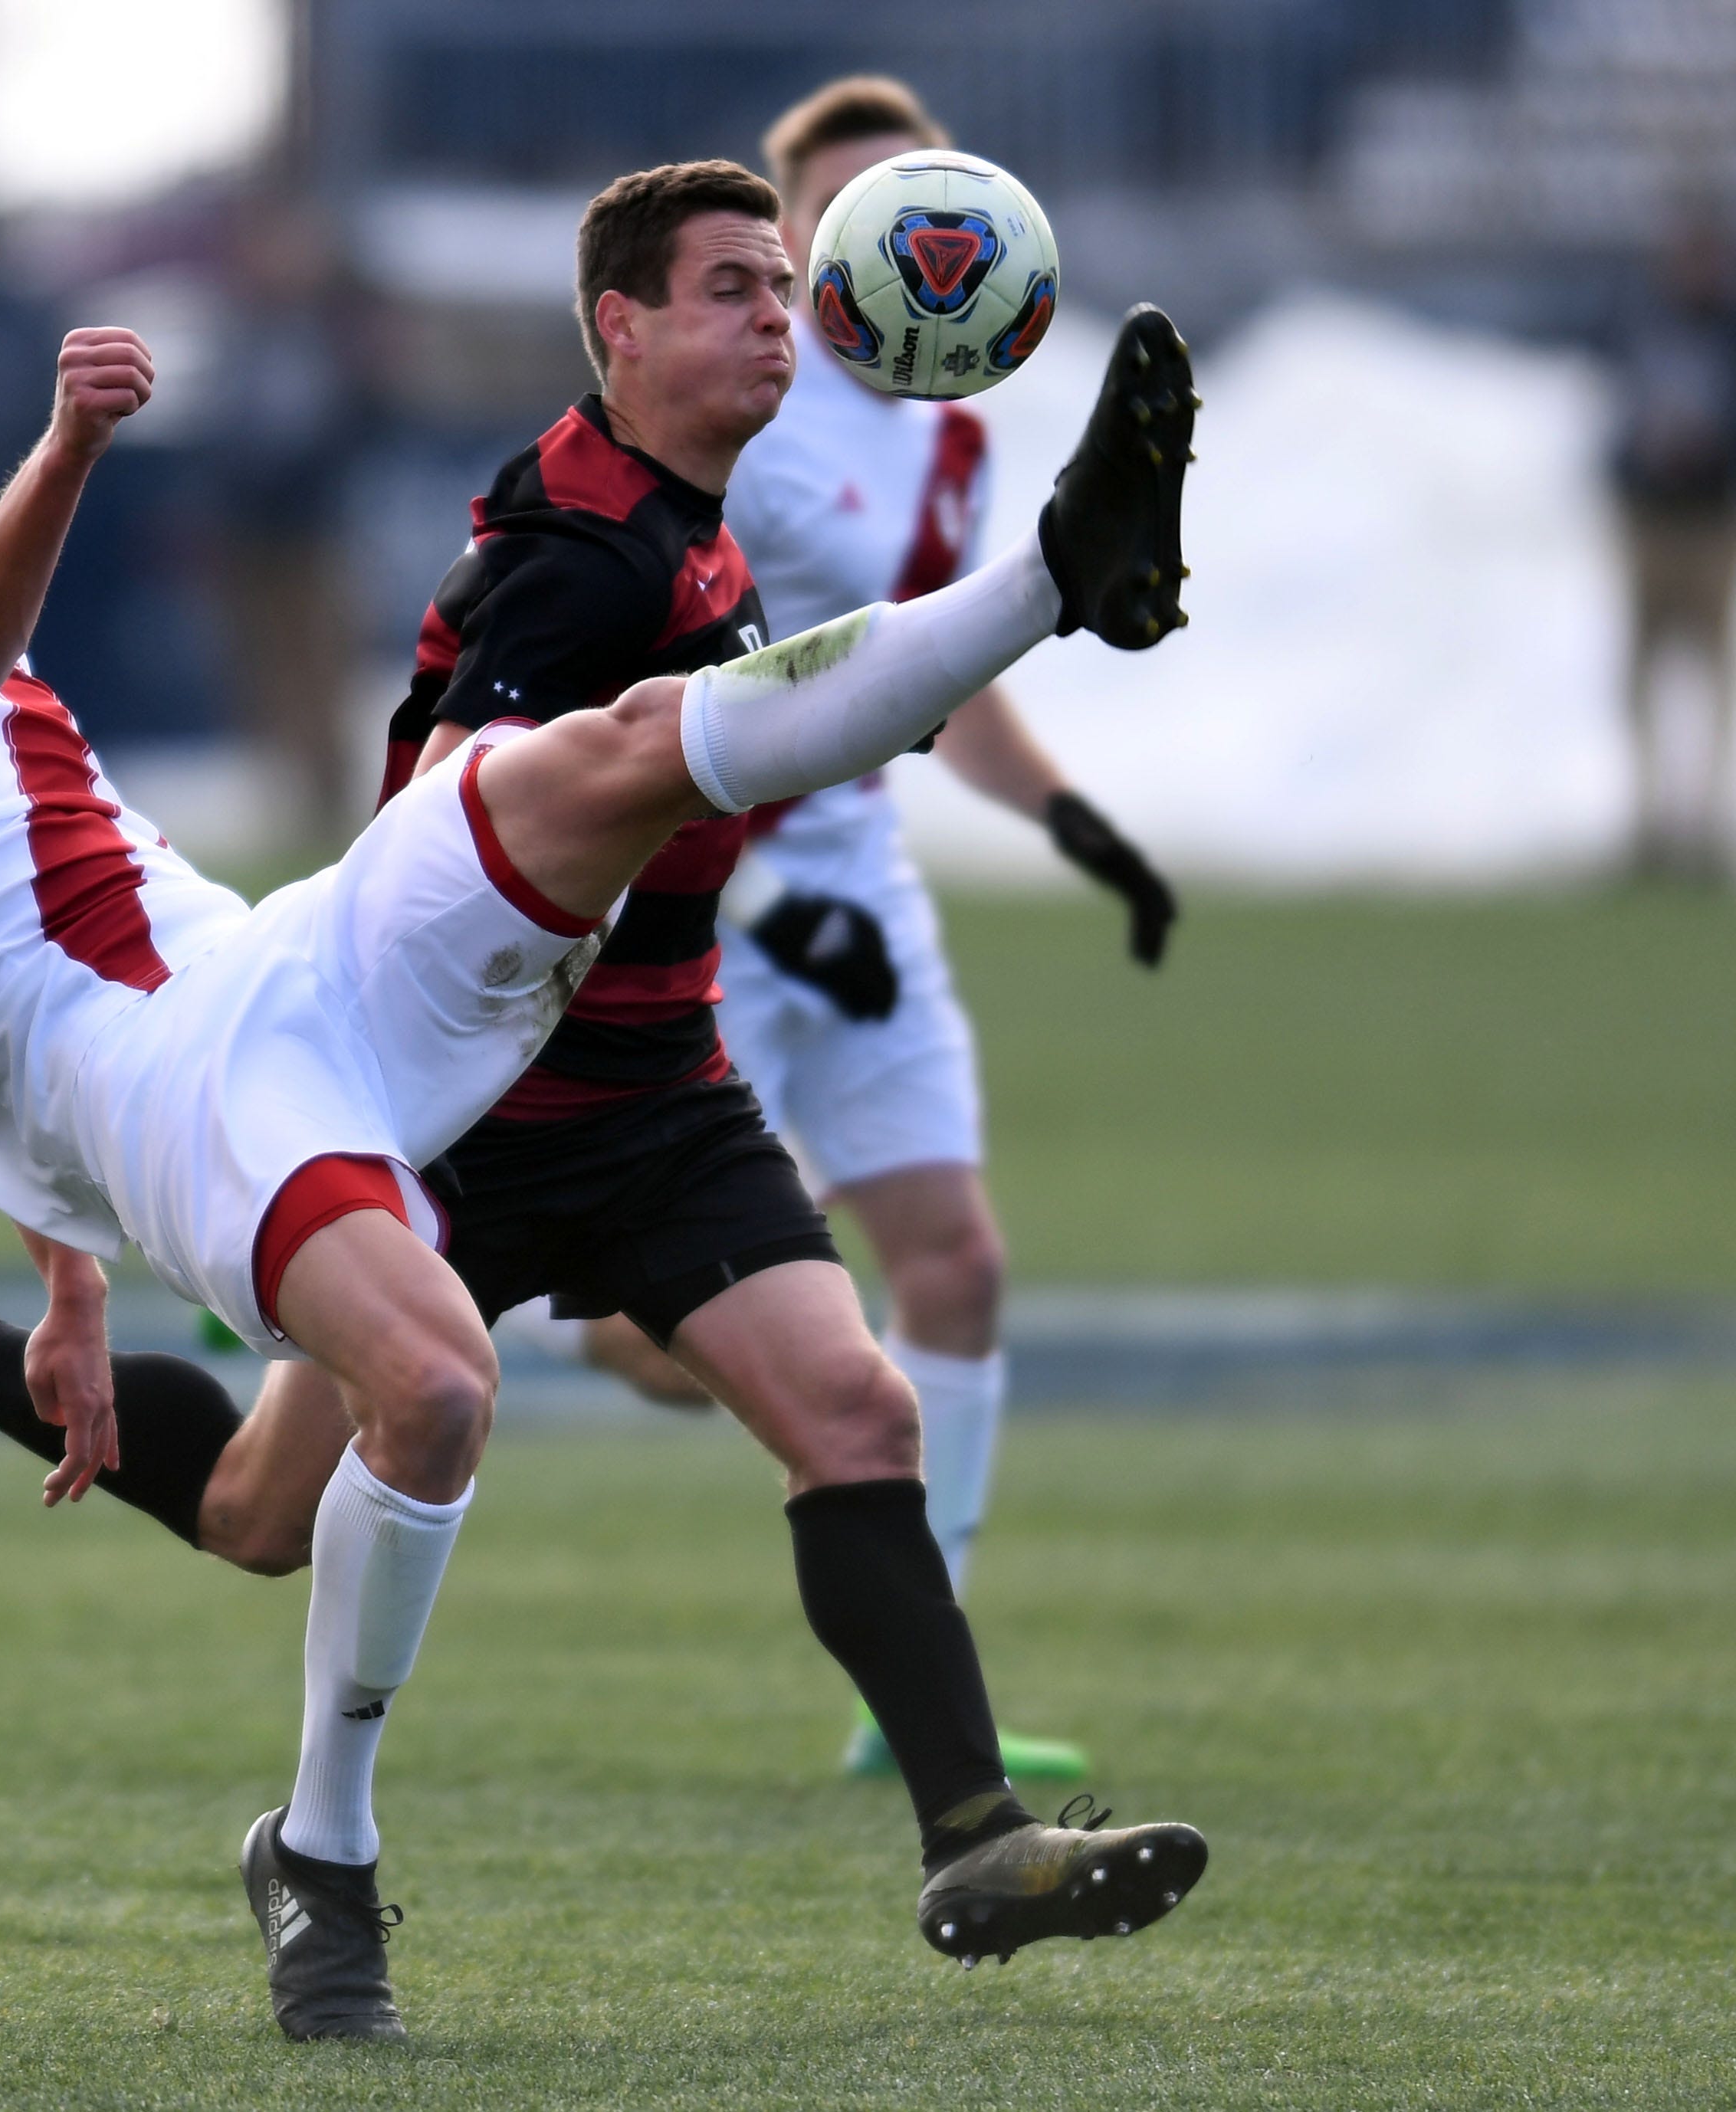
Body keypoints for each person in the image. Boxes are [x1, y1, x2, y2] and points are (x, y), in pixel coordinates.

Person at [0, 162, 1203, 2042]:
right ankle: (319, 1853)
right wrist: (61, 455)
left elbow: (1, 949)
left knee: (619, 754)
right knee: (434, 1391)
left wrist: (59, 1279)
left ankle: (1061, 565)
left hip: (292, 963)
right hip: (183, 1085)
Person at [546, 78, 1181, 1788]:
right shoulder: (734, 424)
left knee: (956, 1262)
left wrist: (1074, 824)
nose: (895, 246)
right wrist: (759, 892)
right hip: (698, 885)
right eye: (840, 224)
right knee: (685, 1302)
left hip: (859, 885)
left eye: (921, 207)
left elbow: (929, 675)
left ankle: (911, 1709)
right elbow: (646, 706)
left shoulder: (956, 426)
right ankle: (557, 1312)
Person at [1605, 207, 1736, 883]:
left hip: (1719, 520)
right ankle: (1649, 823)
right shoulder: (1641, 325)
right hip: (1651, 518)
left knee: (1719, 673)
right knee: (1641, 672)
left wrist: (1728, 448)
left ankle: (1714, 828)